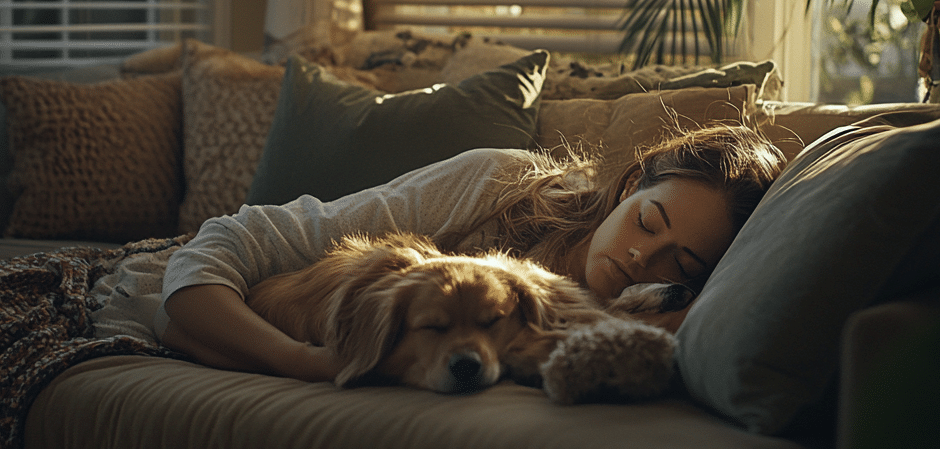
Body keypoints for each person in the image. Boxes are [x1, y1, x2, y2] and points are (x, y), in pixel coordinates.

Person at [151, 124, 785, 384]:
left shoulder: (644, 324)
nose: (644, 259)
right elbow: (225, 250)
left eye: (682, 265)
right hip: (167, 279)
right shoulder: (497, 182)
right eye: (648, 221)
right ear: (629, 187)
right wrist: (310, 362)